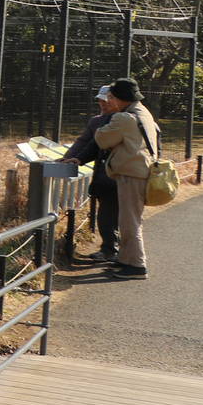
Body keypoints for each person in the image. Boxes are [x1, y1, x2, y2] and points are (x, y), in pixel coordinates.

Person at [94, 77, 162, 279]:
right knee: (129, 219)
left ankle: (136, 265)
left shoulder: (123, 118)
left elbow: (102, 139)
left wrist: (101, 126)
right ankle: (125, 260)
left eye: (111, 97)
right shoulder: (143, 112)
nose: (109, 100)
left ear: (118, 97)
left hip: (131, 173)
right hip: (141, 170)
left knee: (129, 221)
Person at [61, 85, 120, 263]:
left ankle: (115, 251)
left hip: (121, 174)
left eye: (106, 100)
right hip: (105, 177)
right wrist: (69, 158)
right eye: (100, 99)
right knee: (107, 215)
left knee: (114, 216)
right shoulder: (96, 121)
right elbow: (85, 142)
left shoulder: (124, 120)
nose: (102, 103)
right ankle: (112, 249)